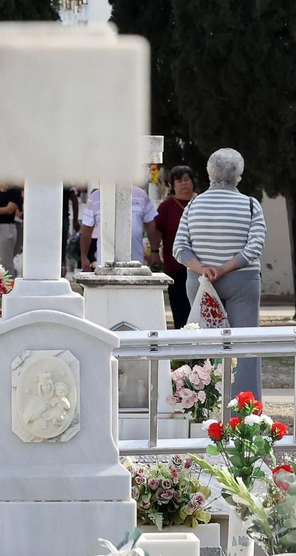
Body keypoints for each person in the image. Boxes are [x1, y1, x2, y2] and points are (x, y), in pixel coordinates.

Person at [174, 148, 267, 399]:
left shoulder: (193, 205)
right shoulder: (250, 205)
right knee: (244, 345)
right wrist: (225, 268)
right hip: (242, 281)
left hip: (201, 282)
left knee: (205, 344)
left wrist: (203, 269)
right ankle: (245, 405)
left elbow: (179, 247)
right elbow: (255, 246)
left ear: (209, 173)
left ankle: (203, 403)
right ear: (239, 175)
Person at [79, 183, 163, 270]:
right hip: (106, 264)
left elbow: (150, 225)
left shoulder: (141, 195)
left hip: (136, 263)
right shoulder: (95, 198)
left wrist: (154, 251)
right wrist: (84, 256)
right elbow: (86, 231)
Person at [155, 166, 197, 329]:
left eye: (187, 179)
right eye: (179, 181)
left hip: (202, 266)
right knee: (181, 312)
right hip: (176, 266)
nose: (184, 184)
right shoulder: (166, 207)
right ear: (172, 185)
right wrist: (153, 252)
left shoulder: (201, 202)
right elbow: (156, 232)